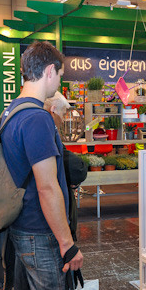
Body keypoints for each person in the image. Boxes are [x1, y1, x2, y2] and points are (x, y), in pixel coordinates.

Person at [1, 40, 99, 290]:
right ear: (48, 72)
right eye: (59, 73)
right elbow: (47, 187)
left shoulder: (11, 112)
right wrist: (67, 243)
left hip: (17, 230)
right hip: (41, 234)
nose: (60, 80)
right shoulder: (38, 120)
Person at [43, 91, 87, 240]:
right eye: (62, 114)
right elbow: (77, 168)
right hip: (51, 220)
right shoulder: (47, 131)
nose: (62, 120)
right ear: (53, 110)